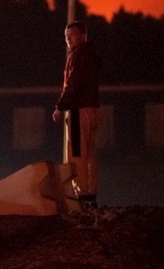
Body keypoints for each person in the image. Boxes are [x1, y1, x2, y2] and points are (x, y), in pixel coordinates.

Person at [52, 21, 101, 206]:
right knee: (90, 154)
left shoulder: (78, 56)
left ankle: (81, 195)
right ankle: (90, 193)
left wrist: (60, 107)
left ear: (83, 35)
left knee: (77, 153)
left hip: (78, 111)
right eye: (66, 36)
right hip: (93, 109)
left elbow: (72, 85)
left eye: (72, 35)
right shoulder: (92, 55)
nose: (69, 40)